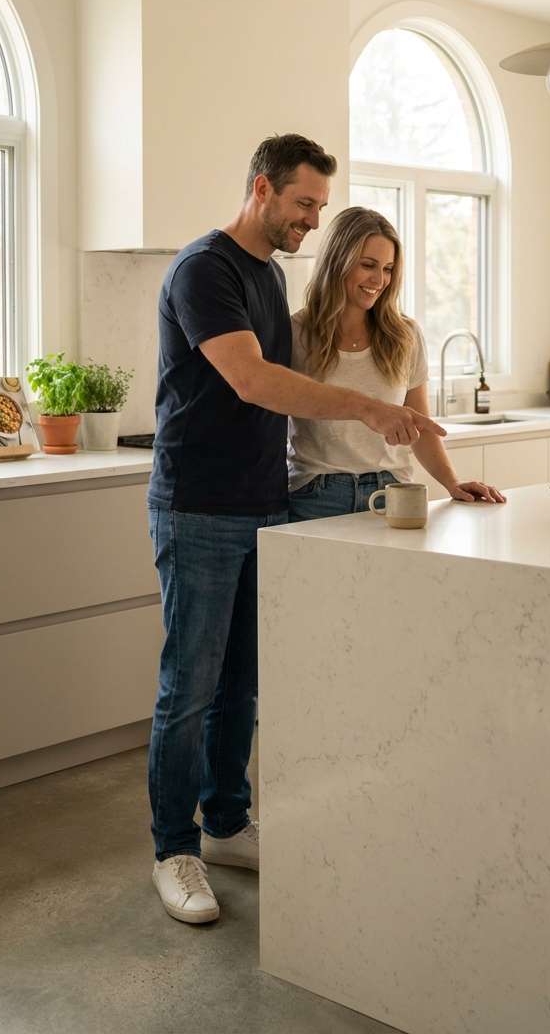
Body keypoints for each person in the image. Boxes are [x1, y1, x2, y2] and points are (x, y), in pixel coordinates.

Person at [147, 135, 445, 925]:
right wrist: (369, 408)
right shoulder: (204, 269)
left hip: (264, 502)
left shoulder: (268, 273)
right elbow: (254, 381)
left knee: (240, 686)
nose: (313, 220)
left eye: (319, 206)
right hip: (199, 506)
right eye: (304, 203)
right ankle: (174, 849)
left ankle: (226, 823)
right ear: (262, 189)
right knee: (189, 687)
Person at [288, 206, 506, 521]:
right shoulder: (296, 333)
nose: (379, 280)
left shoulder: (405, 335)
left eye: (388, 268)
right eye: (368, 265)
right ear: (337, 262)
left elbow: (421, 427)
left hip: (392, 492)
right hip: (316, 495)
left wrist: (452, 483)